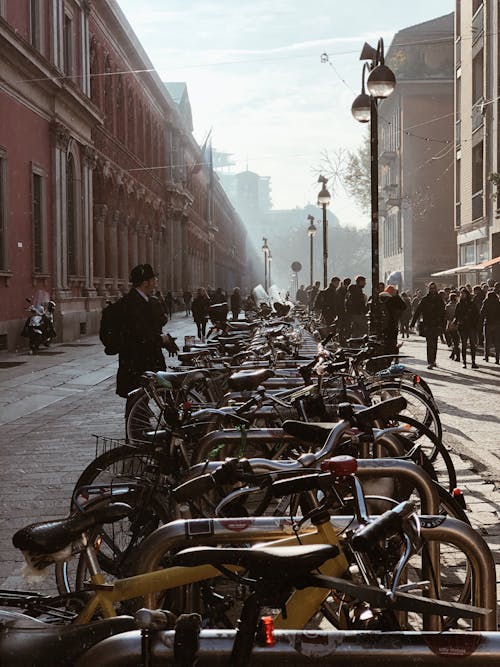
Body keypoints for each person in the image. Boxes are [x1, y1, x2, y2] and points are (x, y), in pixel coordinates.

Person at [116, 264, 179, 419]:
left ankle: (138, 434)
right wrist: (161, 339)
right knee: (137, 398)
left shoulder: (143, 300)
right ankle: (136, 436)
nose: (156, 281)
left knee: (140, 399)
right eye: (153, 279)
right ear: (145, 282)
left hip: (143, 360)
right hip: (137, 362)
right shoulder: (134, 303)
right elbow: (139, 335)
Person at [410, 282, 445, 370]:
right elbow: (418, 311)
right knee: (429, 343)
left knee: (435, 343)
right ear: (429, 289)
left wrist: (442, 324)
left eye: (434, 288)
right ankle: (430, 362)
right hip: (428, 324)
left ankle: (433, 360)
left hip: (436, 324)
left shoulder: (439, 300)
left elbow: (443, 313)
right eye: (431, 288)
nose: (432, 290)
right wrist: (413, 323)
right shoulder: (425, 299)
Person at [453, 288, 479, 369]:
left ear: (467, 295)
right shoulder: (459, 305)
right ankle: (464, 362)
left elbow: (476, 315)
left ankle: (473, 362)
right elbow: (456, 315)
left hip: (471, 327)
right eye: (462, 294)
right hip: (462, 327)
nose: (463, 295)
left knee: (472, 345)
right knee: (464, 344)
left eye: (464, 294)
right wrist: (457, 321)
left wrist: (475, 325)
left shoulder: (472, 304)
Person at [378, 285, 406, 352]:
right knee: (393, 339)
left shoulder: (381, 298)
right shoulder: (395, 299)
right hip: (392, 322)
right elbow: (404, 306)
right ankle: (394, 352)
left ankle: (388, 351)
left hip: (385, 323)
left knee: (386, 340)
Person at [480, 290, 500, 363]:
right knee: (497, 342)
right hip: (497, 324)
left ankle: (486, 357)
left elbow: (482, 312)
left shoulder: (486, 302)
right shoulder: (498, 303)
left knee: (487, 341)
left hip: (488, 323)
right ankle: (497, 358)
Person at [444, 292, 460, 361]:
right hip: (458, 324)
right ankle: (455, 354)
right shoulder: (458, 305)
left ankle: (455, 355)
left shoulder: (447, 306)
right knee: (456, 341)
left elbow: (446, 317)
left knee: (454, 340)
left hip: (450, 324)